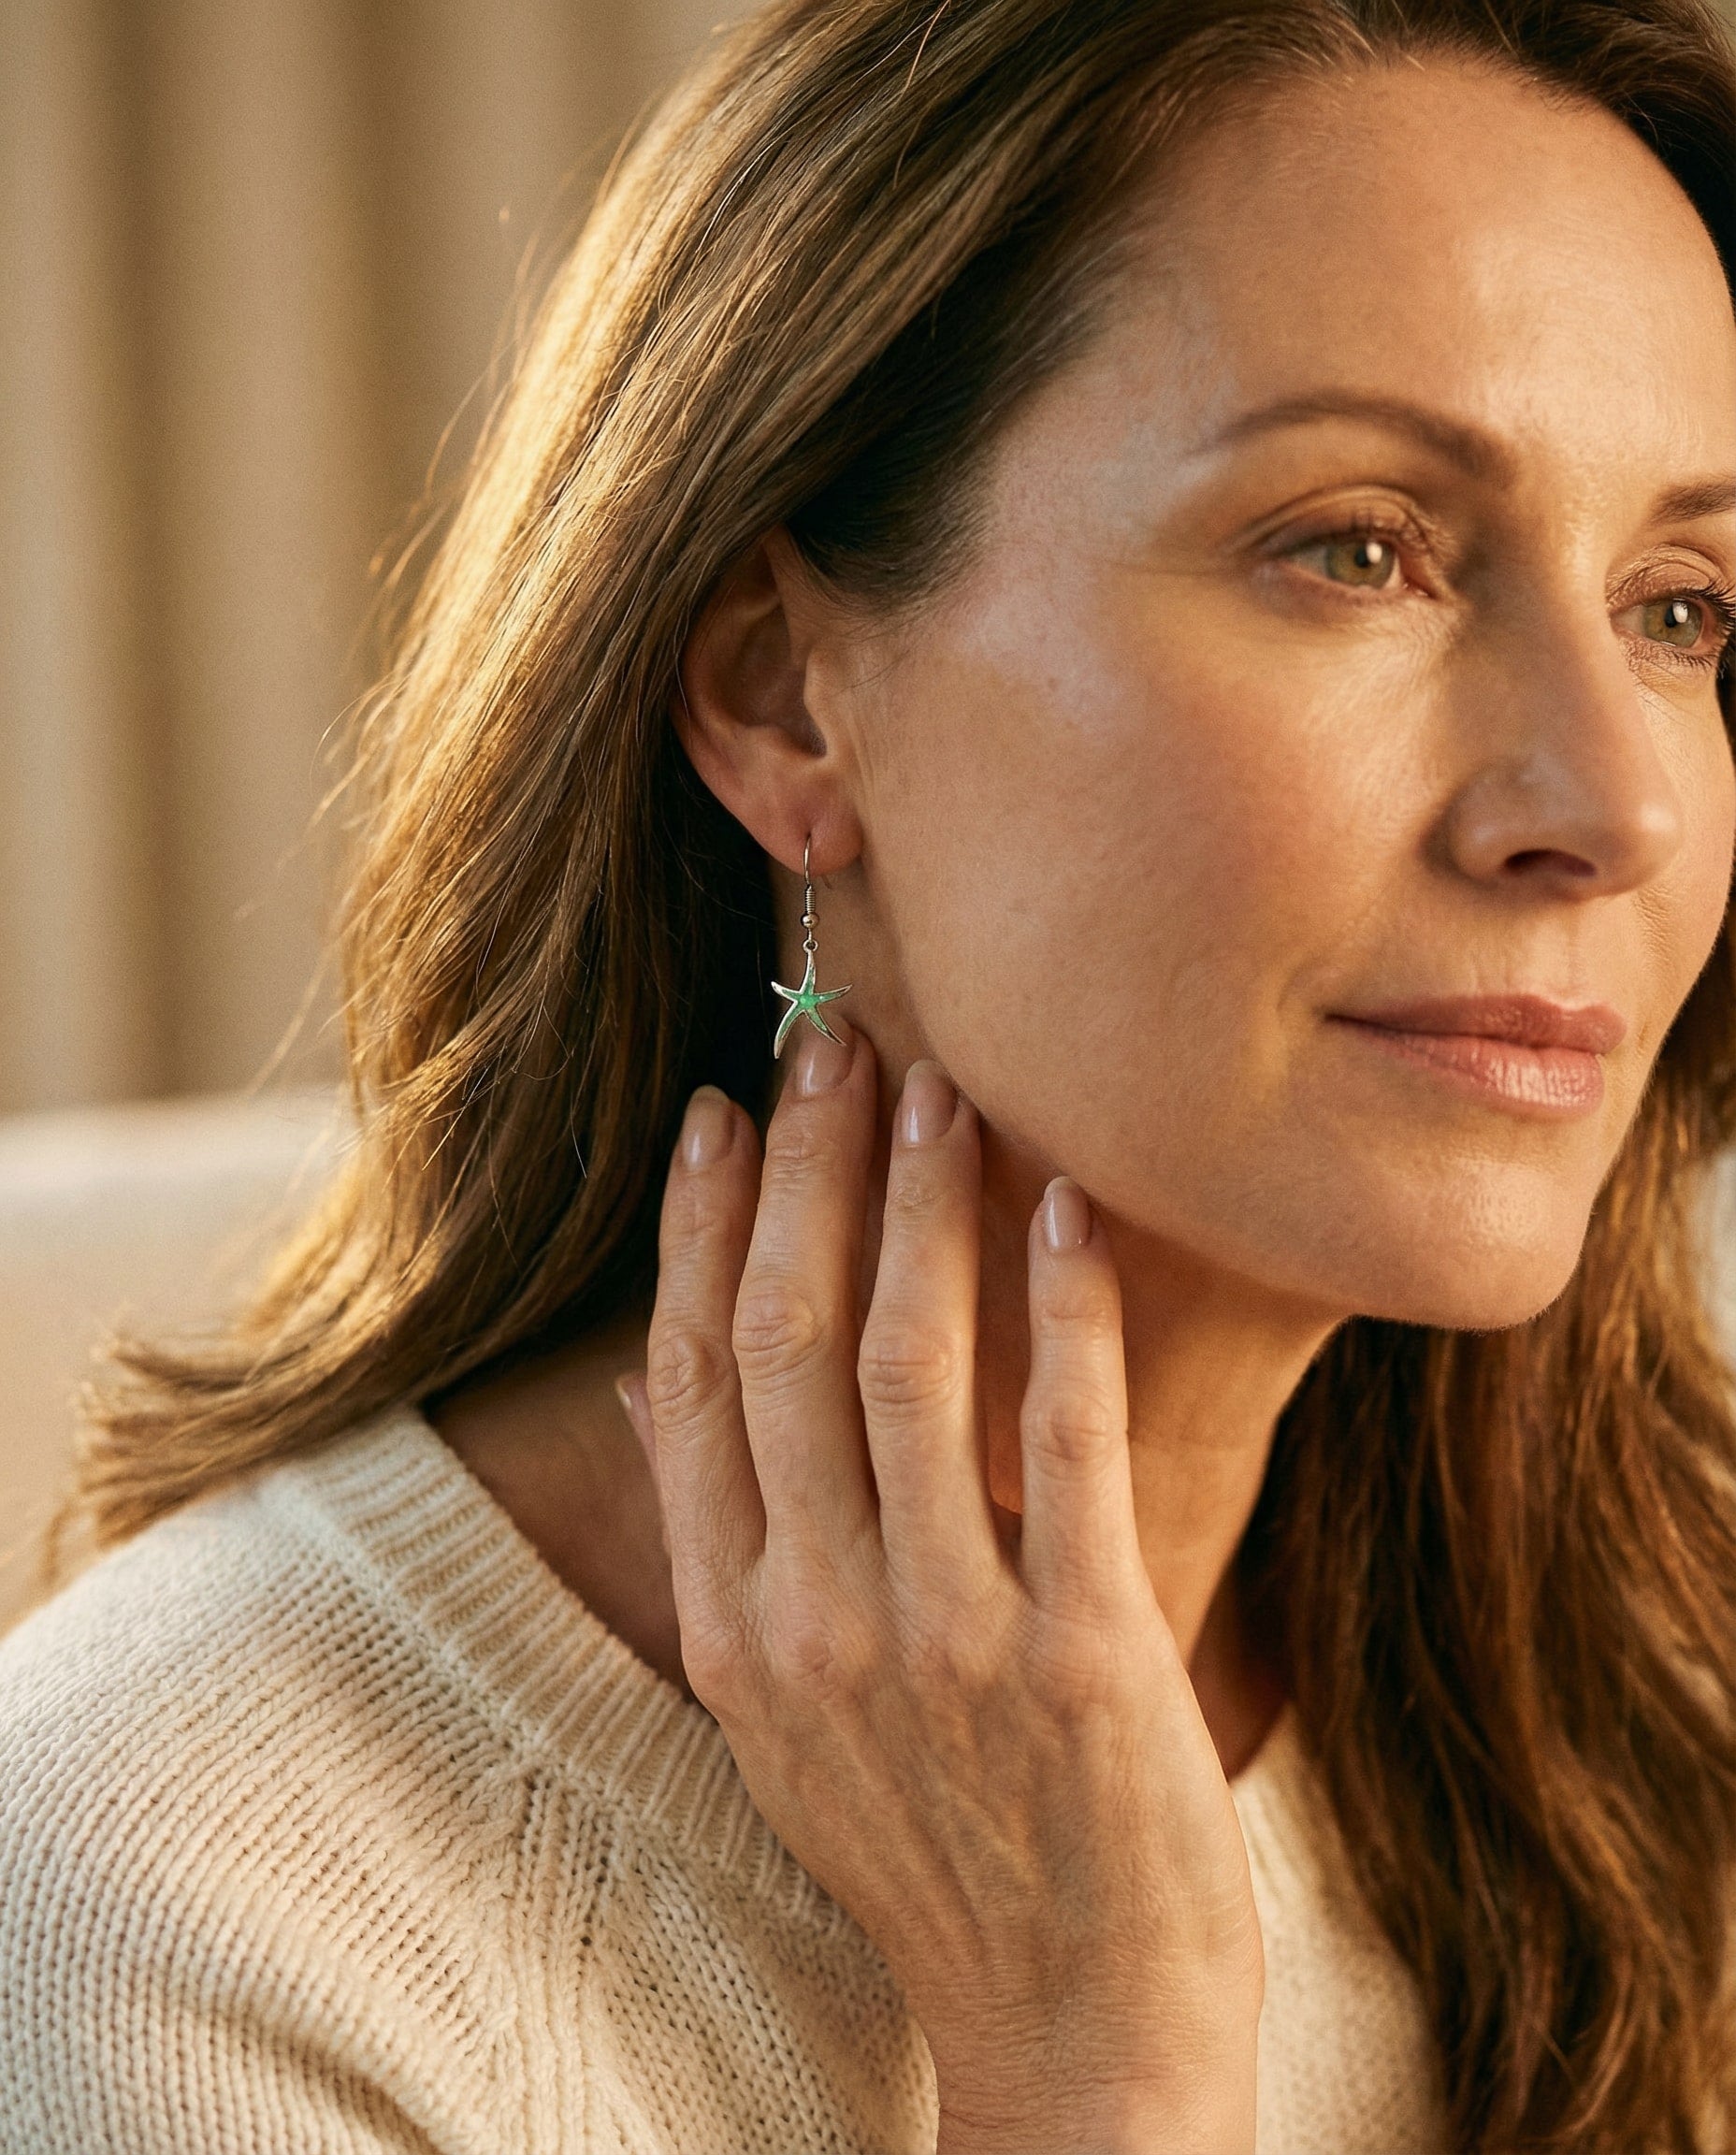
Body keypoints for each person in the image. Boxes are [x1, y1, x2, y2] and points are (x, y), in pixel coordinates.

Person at [4, 0, 1736, 2147]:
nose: (1612, 804)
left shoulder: (1661, 1687)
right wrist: (1099, 2066)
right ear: (783, 697)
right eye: (1355, 548)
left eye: (1679, 608)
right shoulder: (167, 1926)